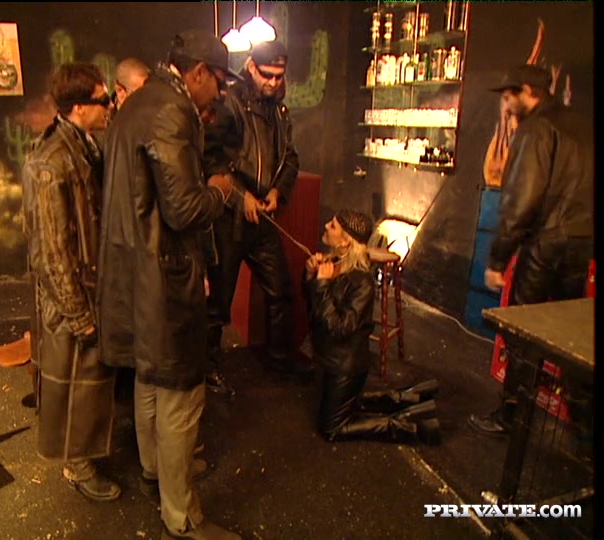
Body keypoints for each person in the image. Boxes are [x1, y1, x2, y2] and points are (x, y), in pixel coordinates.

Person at [96, 29, 242, 540]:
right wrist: (220, 191)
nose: (219, 94)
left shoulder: (135, 103)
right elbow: (184, 210)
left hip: (132, 273)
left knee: (149, 376)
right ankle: (182, 517)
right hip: (164, 274)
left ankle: (156, 469)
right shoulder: (172, 111)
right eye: (219, 82)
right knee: (181, 389)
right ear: (198, 72)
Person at [468, 64, 594, 436]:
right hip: (580, 243)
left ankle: (512, 416)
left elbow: (522, 199)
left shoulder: (537, 129)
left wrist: (498, 259)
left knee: (523, 334)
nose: (506, 106)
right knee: (570, 335)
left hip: (544, 244)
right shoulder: (582, 125)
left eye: (510, 97)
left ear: (529, 91)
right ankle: (584, 431)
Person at [21, 62, 121, 502]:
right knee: (75, 384)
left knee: (88, 382)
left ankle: (83, 456)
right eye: (103, 100)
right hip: (72, 294)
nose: (109, 106)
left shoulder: (83, 146)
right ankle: (77, 466)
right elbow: (51, 251)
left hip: (90, 283)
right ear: (79, 107)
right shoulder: (51, 162)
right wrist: (79, 314)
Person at [203, 39, 311, 397]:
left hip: (263, 215)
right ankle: (208, 368)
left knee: (282, 290)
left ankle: (280, 359)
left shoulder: (279, 110)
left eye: (280, 76)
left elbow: (290, 158)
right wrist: (240, 196)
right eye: (268, 74)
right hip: (228, 219)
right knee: (218, 302)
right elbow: (211, 160)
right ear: (251, 67)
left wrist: (278, 191)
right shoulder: (229, 102)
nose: (274, 82)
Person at [302, 210, 441, 445]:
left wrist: (322, 285)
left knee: (332, 428)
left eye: (333, 226)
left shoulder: (362, 282)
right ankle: (409, 398)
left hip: (346, 366)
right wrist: (310, 275)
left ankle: (411, 428)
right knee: (353, 404)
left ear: (346, 241)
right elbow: (314, 309)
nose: (326, 226)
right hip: (330, 359)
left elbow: (339, 328)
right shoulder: (333, 263)